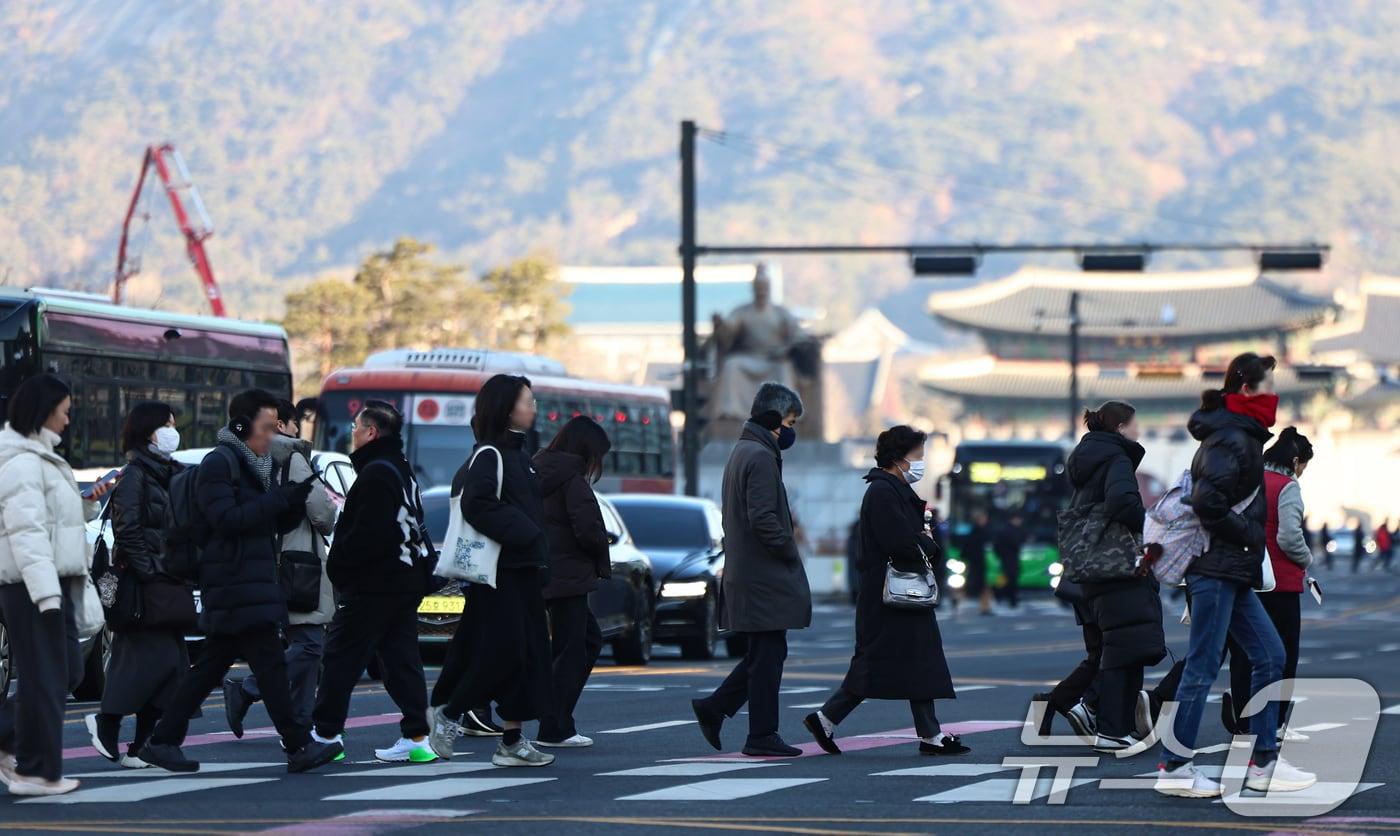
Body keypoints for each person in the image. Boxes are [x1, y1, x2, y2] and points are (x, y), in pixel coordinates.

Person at [137, 389, 340, 774]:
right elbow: (226, 520)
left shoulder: (256, 466)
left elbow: (262, 523)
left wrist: (291, 501)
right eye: (266, 428)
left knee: (214, 668)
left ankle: (164, 740)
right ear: (243, 426)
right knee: (267, 668)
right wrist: (279, 501)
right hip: (233, 582)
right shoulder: (221, 463)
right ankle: (298, 745)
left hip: (249, 582)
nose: (272, 437)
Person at [1155, 353, 1312, 798]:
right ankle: (1174, 766)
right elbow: (1208, 501)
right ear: (1246, 388)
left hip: (1232, 568)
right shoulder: (1232, 437)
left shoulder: (1238, 434)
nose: (1273, 395)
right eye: (1267, 386)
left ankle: (1264, 762)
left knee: (1270, 655)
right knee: (1204, 666)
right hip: (1218, 567)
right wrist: (1246, 536)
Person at [804, 426, 969, 757]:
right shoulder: (883, 492)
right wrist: (928, 544)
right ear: (899, 458)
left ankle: (928, 732)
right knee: (886, 660)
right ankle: (828, 718)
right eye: (917, 456)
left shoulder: (890, 490)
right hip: (891, 593)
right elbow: (899, 541)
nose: (920, 463)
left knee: (911, 660)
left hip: (896, 593)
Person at [428, 374, 555, 767]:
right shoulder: (491, 455)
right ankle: (451, 713)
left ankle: (512, 741)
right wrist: (529, 535)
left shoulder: (520, 456)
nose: (533, 408)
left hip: (524, 572)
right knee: (504, 655)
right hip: (500, 574)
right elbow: (477, 505)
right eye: (527, 401)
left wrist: (538, 552)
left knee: (530, 657)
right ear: (505, 407)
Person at [0, 373, 109, 796]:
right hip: (33, 586)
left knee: (65, 670)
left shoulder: (40, 459)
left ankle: (16, 748)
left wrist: (85, 503)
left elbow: (48, 520)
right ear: (45, 412)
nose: (68, 420)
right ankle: (36, 772)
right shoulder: (23, 462)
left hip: (52, 583)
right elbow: (25, 532)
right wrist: (46, 594)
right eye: (65, 411)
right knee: (47, 676)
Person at [310, 400, 436, 763]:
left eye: (356, 426)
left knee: (341, 657)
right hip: (403, 579)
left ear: (371, 432)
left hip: (374, 583)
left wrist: (342, 570)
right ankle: (416, 738)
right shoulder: (400, 468)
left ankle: (325, 733)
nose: (352, 432)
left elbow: (366, 535)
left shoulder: (376, 473)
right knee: (400, 659)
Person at [691, 382, 812, 758]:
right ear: (775, 419)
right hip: (764, 575)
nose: (791, 430)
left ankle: (716, 708)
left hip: (752, 572)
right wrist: (789, 549)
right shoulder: (759, 456)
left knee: (765, 654)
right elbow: (762, 518)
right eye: (790, 421)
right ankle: (760, 733)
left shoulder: (745, 450)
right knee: (768, 656)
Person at [86, 402, 192, 770]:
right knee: (148, 661)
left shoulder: (172, 473)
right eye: (166, 424)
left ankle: (141, 744)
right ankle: (108, 723)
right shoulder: (134, 475)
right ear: (148, 431)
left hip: (169, 578)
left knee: (172, 665)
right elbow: (127, 529)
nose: (172, 431)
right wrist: (149, 570)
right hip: (145, 583)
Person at [224, 400, 337, 739]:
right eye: (287, 423)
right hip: (299, 564)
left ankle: (301, 726)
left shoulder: (245, 458)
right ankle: (248, 689)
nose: (292, 430)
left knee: (303, 643)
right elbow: (323, 513)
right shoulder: (292, 457)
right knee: (310, 645)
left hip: (267, 562)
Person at [1067, 402, 1163, 753]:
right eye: (1135, 423)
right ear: (1122, 427)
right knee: (1126, 646)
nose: (1139, 429)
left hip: (1094, 565)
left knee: (1119, 643)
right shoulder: (1117, 459)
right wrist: (1152, 527)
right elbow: (1122, 503)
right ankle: (1109, 725)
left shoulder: (1085, 457)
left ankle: (1106, 717)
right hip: (1118, 564)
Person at [1223, 427, 1315, 741]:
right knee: (1283, 654)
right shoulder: (1287, 487)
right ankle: (1274, 722)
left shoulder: (1247, 481)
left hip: (1244, 578)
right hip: (1280, 584)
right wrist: (1306, 559)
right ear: (1294, 460)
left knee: (1244, 653)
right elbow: (1289, 536)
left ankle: (1245, 722)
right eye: (1304, 465)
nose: (1302, 472)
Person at [534, 416, 613, 748]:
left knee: (581, 642)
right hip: (570, 576)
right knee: (574, 650)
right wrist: (601, 546)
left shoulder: (539, 469)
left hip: (547, 572)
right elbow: (587, 529)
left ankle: (555, 717)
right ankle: (555, 725)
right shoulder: (573, 480)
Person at [960, 510, 993, 615]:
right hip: (978, 564)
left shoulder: (973, 532)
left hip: (975, 564)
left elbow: (965, 550)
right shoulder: (980, 533)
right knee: (982, 586)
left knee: (977, 586)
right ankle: (985, 607)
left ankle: (984, 607)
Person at [993, 513, 1026, 609]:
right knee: (1012, 579)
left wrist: (1001, 555)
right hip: (1011, 559)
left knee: (1005, 578)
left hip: (1005, 558)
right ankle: (1009, 598)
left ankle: (1001, 595)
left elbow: (996, 546)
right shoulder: (1013, 531)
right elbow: (1016, 543)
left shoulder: (1003, 529)